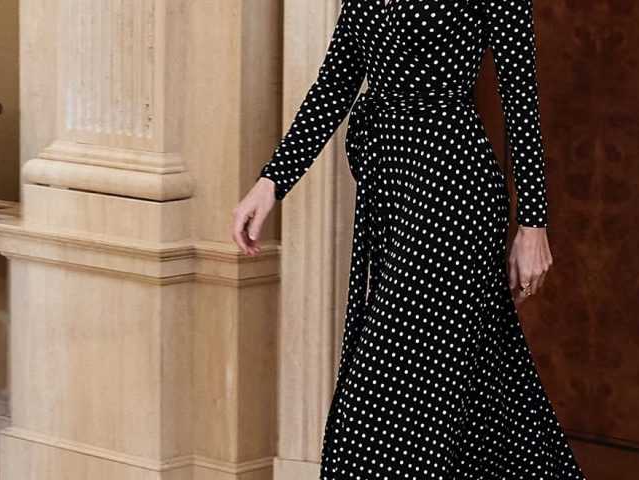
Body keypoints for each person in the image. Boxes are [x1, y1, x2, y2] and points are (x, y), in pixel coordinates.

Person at [232, 0, 586, 478]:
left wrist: (533, 225)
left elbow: (520, 96)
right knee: (478, 404)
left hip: (452, 198)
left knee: (383, 406)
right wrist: (271, 182)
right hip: (392, 199)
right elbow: (336, 82)